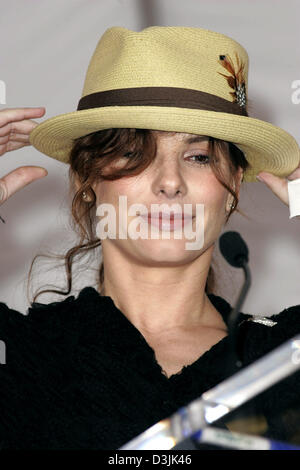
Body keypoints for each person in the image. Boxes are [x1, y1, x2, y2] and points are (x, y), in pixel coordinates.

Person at [0, 25, 300, 450]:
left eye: (197, 157)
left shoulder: (285, 357)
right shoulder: (19, 353)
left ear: (234, 185)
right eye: (133, 153)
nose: (170, 182)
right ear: (87, 178)